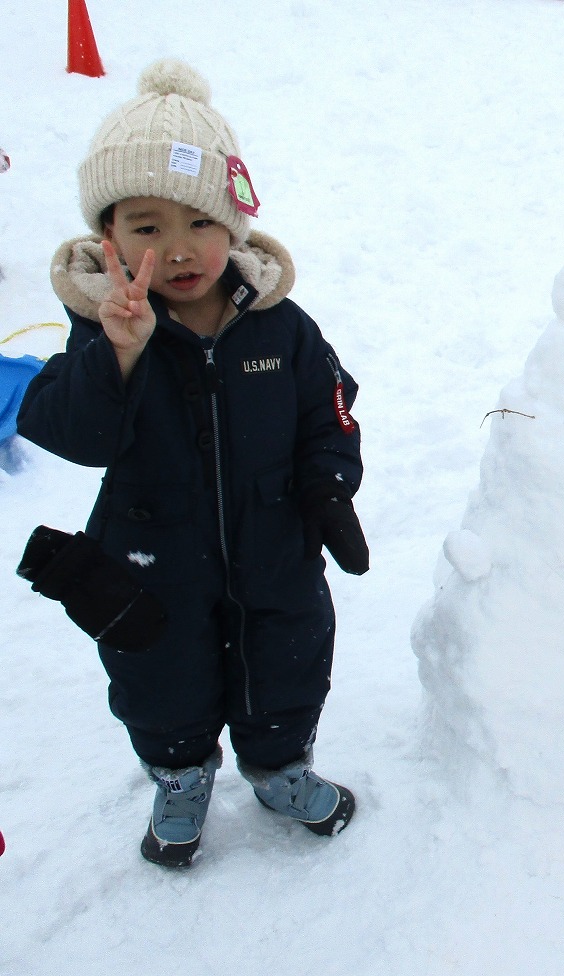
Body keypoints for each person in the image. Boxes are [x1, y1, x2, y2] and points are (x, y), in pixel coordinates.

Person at [18, 60, 369, 869]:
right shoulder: (107, 332)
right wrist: (120, 352)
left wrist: (327, 484)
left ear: (234, 225)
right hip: (150, 562)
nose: (178, 251)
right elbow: (70, 431)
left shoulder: (281, 328)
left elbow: (333, 407)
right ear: (108, 240)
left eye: (200, 224)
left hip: (274, 544)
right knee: (158, 681)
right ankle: (180, 776)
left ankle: (280, 765)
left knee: (288, 660)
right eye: (146, 227)